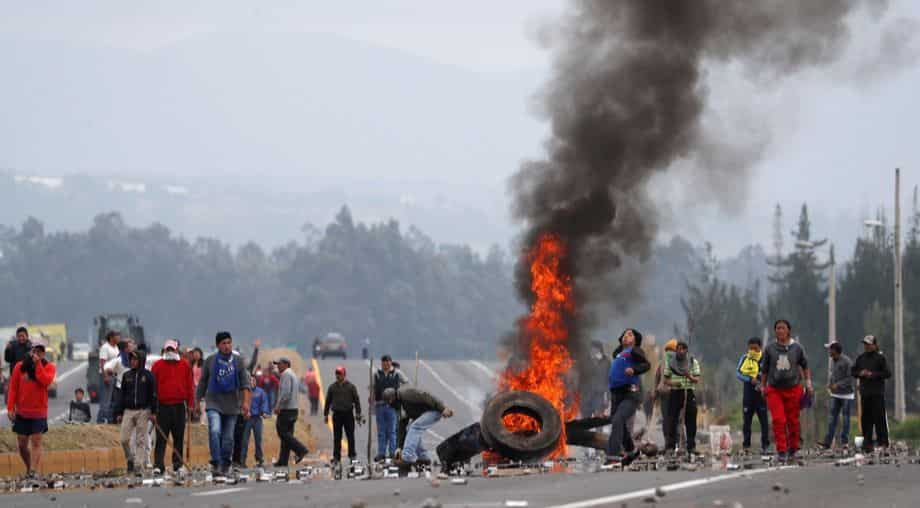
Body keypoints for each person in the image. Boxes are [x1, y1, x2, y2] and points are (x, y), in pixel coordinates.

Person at [196, 331, 252, 476]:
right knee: (215, 431)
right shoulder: (210, 361)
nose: (227, 346)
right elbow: (202, 383)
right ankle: (216, 462)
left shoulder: (238, 361)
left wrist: (245, 403)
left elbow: (245, 384)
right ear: (218, 345)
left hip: (232, 405)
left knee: (228, 438)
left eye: (229, 343)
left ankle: (226, 463)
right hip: (213, 402)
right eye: (223, 343)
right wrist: (197, 401)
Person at [759, 319, 813, 463]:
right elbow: (764, 369)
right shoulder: (770, 348)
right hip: (774, 389)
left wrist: (808, 383)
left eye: (782, 328)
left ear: (788, 330)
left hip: (793, 389)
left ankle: (793, 449)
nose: (779, 331)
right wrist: (763, 386)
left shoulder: (797, 348)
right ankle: (781, 450)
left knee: (793, 421)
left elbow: (805, 366)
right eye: (777, 328)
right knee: (778, 419)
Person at [6, 340, 56, 479]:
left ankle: (33, 471)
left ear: (43, 353)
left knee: (36, 442)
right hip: (22, 412)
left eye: (40, 351)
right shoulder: (19, 367)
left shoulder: (48, 367)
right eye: (35, 350)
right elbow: (13, 389)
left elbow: (45, 381)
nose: (37, 353)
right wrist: (10, 408)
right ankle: (29, 467)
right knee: (22, 445)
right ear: (30, 351)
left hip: (39, 412)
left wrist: (38, 364)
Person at [606, 328, 650, 465]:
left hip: (630, 393)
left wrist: (634, 370)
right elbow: (616, 355)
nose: (626, 336)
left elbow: (646, 365)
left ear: (635, 340)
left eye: (630, 335)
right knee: (617, 422)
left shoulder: (635, 351)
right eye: (624, 335)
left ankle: (612, 457)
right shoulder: (619, 353)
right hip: (616, 394)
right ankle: (633, 451)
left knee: (618, 419)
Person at [151, 340, 195, 474]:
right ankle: (158, 465)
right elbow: (153, 388)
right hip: (162, 406)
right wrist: (153, 408)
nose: (169, 352)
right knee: (161, 437)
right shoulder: (157, 365)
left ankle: (177, 464)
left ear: (176, 350)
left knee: (179, 437)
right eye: (167, 349)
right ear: (164, 351)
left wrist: (190, 404)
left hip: (179, 406)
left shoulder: (184, 365)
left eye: (172, 349)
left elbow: (189, 386)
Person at [383, 387, 452, 466]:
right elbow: (402, 427)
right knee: (409, 428)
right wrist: (399, 447)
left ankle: (407, 457)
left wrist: (442, 408)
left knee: (415, 427)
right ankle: (423, 457)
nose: (390, 405)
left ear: (393, 398)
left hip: (434, 410)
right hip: (424, 413)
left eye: (390, 402)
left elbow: (426, 396)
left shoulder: (406, 393)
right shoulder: (400, 405)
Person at [117, 350, 156, 474]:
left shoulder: (149, 376)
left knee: (140, 439)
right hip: (128, 411)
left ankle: (139, 465)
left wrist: (153, 412)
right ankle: (130, 459)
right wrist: (118, 412)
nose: (133, 362)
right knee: (123, 439)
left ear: (141, 360)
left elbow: (153, 395)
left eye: (135, 359)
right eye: (131, 359)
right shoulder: (126, 375)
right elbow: (121, 395)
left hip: (143, 411)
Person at [851, 335, 891, 453]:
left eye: (869, 344)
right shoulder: (861, 358)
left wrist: (872, 375)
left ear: (874, 345)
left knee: (879, 418)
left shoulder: (880, 358)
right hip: (865, 393)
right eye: (865, 344)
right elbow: (853, 371)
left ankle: (882, 442)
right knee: (866, 419)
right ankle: (867, 443)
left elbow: (887, 373)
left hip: (877, 393)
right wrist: (860, 373)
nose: (866, 346)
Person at [663, 341, 701, 456]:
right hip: (675, 393)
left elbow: (697, 379)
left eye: (683, 349)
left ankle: (691, 446)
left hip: (688, 392)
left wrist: (688, 376)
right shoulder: (671, 362)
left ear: (686, 350)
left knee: (691, 420)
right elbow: (666, 380)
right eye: (678, 349)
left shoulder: (692, 362)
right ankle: (670, 446)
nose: (680, 351)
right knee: (672, 420)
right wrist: (674, 384)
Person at [815, 342, 855, 449]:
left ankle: (844, 442)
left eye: (830, 349)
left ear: (835, 350)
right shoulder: (833, 361)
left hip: (847, 395)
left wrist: (838, 385)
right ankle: (827, 443)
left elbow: (850, 378)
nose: (829, 352)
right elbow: (832, 375)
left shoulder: (847, 361)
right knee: (832, 418)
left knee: (846, 418)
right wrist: (830, 383)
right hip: (835, 394)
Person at [273, 357, 310, 466]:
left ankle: (300, 450)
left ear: (286, 364)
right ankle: (283, 460)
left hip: (286, 409)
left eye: (279, 364)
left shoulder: (286, 375)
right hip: (293, 409)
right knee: (287, 435)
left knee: (282, 432)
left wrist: (278, 405)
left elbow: (286, 393)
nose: (277, 366)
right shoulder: (292, 374)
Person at [736, 337, 769, 454]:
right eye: (750, 349)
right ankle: (746, 446)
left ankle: (765, 446)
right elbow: (738, 373)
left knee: (764, 421)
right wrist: (750, 379)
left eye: (755, 348)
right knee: (747, 422)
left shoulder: (765, 358)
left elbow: (770, 373)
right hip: (748, 395)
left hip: (761, 396)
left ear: (760, 348)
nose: (752, 351)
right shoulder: (745, 358)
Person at [324, 365, 363, 464]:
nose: (338, 376)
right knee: (337, 437)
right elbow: (328, 401)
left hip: (348, 414)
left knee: (350, 436)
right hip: (337, 415)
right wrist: (326, 414)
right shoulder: (332, 387)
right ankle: (336, 457)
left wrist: (358, 413)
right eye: (337, 374)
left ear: (344, 375)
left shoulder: (351, 387)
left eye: (340, 374)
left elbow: (356, 401)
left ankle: (352, 455)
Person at [372, 355, 406, 461]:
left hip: (392, 406)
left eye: (388, 362)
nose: (386, 364)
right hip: (379, 405)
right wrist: (372, 397)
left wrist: (400, 394)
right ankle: (381, 453)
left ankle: (392, 452)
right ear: (381, 363)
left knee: (392, 430)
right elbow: (372, 387)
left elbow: (406, 382)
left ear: (391, 363)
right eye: (384, 362)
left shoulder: (397, 373)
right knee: (381, 431)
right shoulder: (376, 374)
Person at [242, 382, 270, 468]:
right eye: (249, 380)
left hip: (257, 418)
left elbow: (264, 402)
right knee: (244, 440)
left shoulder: (260, 392)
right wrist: (244, 412)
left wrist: (264, 411)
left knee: (258, 439)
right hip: (247, 419)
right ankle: (242, 460)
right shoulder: (244, 392)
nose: (251, 382)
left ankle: (259, 459)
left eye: (253, 380)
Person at [581, 341, 611, 419]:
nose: (594, 351)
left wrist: (608, 398)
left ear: (600, 350)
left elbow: (609, 380)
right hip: (586, 396)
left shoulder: (606, 362)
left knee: (598, 420)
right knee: (585, 421)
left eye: (596, 349)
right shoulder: (585, 361)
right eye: (592, 349)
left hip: (599, 396)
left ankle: (598, 431)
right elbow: (580, 379)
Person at [97, 331, 121, 423]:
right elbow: (102, 362)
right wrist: (105, 376)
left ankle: (110, 420)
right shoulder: (105, 347)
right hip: (107, 375)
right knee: (105, 400)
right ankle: (100, 420)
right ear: (111, 337)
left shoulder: (116, 347)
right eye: (117, 336)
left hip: (114, 375)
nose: (118, 338)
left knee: (112, 400)